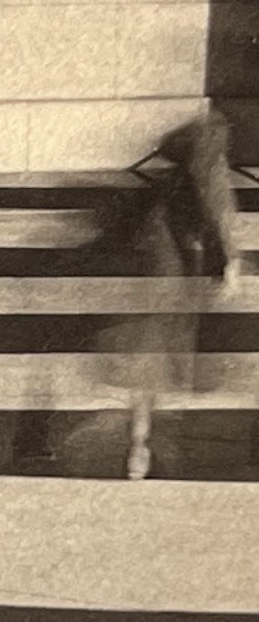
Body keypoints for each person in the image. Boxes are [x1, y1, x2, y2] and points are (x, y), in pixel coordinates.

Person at [105, 108, 241, 480]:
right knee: (158, 358)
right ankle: (143, 434)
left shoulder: (176, 183)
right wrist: (227, 266)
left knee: (151, 361)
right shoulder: (205, 178)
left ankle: (140, 436)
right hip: (173, 283)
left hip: (163, 283)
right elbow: (213, 223)